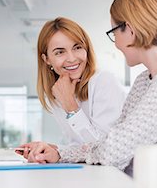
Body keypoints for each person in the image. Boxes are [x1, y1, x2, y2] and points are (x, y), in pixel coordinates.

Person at [20, 0, 157, 176]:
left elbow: (112, 151)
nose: (117, 43)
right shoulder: (145, 80)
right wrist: (59, 153)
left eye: (114, 32)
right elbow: (107, 143)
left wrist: (66, 152)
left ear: (129, 29)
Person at [34, 17, 126, 146]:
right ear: (47, 59)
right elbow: (78, 146)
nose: (71, 58)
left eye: (77, 47)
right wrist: (55, 151)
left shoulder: (104, 81)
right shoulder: (57, 92)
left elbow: (104, 148)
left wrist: (71, 107)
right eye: (60, 52)